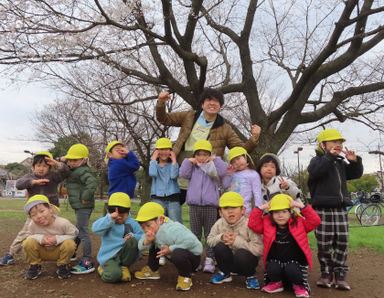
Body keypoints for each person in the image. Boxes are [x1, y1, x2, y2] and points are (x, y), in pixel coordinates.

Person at [156, 88, 261, 204]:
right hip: (184, 167)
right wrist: (161, 103)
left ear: (220, 106)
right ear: (202, 104)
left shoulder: (225, 128)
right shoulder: (189, 116)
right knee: (172, 204)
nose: (212, 103)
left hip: (207, 175)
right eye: (209, 100)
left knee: (208, 207)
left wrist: (254, 138)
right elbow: (164, 119)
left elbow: (241, 151)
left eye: (216, 101)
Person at [307, 128, 363, 290]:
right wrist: (329, 156)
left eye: (340, 142)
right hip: (322, 208)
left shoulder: (340, 163)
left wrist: (354, 161)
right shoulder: (316, 161)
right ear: (322, 145)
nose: (338, 145)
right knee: (324, 243)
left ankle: (340, 274)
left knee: (342, 242)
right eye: (334, 142)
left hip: (340, 208)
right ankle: (326, 273)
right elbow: (316, 172)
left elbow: (355, 174)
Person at [0, 151, 69, 266]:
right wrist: (33, 182)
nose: (41, 168)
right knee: (26, 232)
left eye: (45, 166)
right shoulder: (29, 177)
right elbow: (19, 184)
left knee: (58, 231)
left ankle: (64, 253)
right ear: (33, 167)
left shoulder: (53, 177)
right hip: (35, 212)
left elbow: (65, 172)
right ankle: (11, 254)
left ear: (49, 167)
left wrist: (56, 163)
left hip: (51, 211)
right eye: (38, 166)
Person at [248, 194, 321, 298]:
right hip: (277, 262)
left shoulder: (299, 223)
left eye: (284, 211)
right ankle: (277, 283)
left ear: (290, 212)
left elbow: (315, 220)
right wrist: (263, 207)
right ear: (271, 214)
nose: (280, 215)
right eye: (276, 212)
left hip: (295, 264)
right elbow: (253, 224)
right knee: (272, 266)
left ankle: (298, 286)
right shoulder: (267, 223)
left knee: (291, 268)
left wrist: (300, 206)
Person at [179, 140, 228, 273]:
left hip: (210, 206)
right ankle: (195, 260)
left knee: (209, 234)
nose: (201, 157)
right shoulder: (193, 168)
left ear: (209, 154)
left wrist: (215, 159)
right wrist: (188, 161)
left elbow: (223, 172)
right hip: (194, 206)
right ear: (195, 155)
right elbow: (183, 174)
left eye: (205, 154)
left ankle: (210, 260)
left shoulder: (213, 167)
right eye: (198, 154)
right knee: (194, 234)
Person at [134, 202, 202, 291]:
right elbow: (141, 247)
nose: (146, 230)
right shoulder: (153, 230)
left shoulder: (173, 230)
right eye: (143, 227)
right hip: (173, 254)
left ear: (160, 220)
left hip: (192, 259)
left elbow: (192, 242)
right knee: (153, 243)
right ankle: (152, 270)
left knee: (178, 253)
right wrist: (147, 241)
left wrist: (171, 249)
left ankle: (185, 277)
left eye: (148, 225)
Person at [207, 192, 263, 290]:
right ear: (220, 212)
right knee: (219, 246)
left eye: (234, 207)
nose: (230, 211)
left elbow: (259, 249)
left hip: (245, 263)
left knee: (242, 254)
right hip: (228, 262)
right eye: (226, 208)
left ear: (243, 210)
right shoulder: (219, 223)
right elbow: (209, 240)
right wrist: (221, 237)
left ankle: (250, 275)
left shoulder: (249, 224)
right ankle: (225, 273)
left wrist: (237, 241)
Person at [21, 195, 78, 280]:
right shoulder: (32, 225)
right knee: (28, 242)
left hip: (58, 251)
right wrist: (40, 238)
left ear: (50, 209)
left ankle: (63, 265)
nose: (39, 216)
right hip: (42, 252)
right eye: (34, 215)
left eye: (42, 211)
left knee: (69, 243)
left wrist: (57, 239)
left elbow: (74, 234)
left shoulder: (63, 223)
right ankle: (35, 266)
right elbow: (29, 236)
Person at [61, 144, 97, 274]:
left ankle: (87, 261)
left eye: (75, 160)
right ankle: (73, 252)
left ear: (84, 160)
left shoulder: (83, 171)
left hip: (84, 205)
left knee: (83, 231)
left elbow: (92, 183)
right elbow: (63, 169)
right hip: (80, 206)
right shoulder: (76, 169)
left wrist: (85, 197)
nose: (71, 162)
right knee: (78, 229)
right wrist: (63, 161)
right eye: (70, 160)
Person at [92, 192, 143, 283]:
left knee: (132, 241)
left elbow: (143, 236)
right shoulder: (108, 222)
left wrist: (133, 236)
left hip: (125, 256)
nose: (119, 218)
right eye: (116, 216)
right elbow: (95, 229)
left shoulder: (133, 223)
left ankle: (124, 267)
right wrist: (110, 219)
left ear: (128, 211)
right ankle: (102, 269)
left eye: (122, 216)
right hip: (109, 257)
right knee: (113, 275)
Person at [149, 137, 182, 224]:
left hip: (173, 199)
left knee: (176, 223)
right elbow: (152, 173)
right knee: (159, 224)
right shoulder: (154, 165)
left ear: (171, 151)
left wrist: (174, 160)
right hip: (157, 198)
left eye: (166, 149)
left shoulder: (173, 165)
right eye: (161, 149)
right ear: (157, 151)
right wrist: (153, 159)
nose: (164, 152)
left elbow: (173, 176)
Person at [223, 147, 262, 214]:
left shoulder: (253, 174)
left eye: (238, 159)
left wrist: (259, 211)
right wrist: (227, 175)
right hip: (230, 209)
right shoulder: (232, 174)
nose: (237, 163)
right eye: (233, 162)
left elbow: (257, 194)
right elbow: (224, 187)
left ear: (245, 157)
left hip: (244, 210)